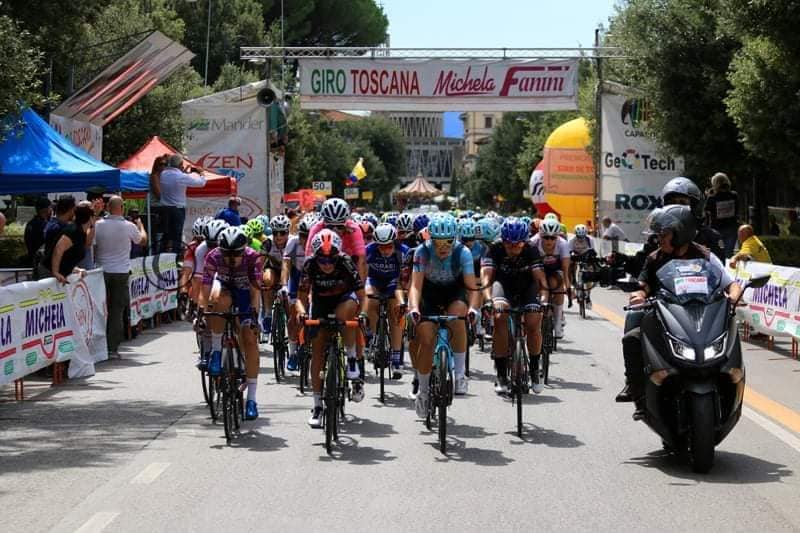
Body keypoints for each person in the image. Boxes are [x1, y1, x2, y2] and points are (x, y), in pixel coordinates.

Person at [617, 205, 742, 414]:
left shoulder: (705, 256)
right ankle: (635, 388)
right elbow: (643, 286)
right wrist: (638, 295)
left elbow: (731, 284)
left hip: (702, 318)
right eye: (659, 235)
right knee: (631, 336)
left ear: (680, 232)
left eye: (664, 234)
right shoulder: (654, 258)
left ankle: (730, 381)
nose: (660, 239)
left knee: (730, 330)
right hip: (665, 316)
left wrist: (734, 297)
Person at [407, 215, 480, 418]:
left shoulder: (462, 252)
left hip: (453, 292)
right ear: (431, 239)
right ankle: (423, 391)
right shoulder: (422, 252)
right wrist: (413, 307)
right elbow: (415, 285)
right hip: (428, 294)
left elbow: (472, 287)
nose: (443, 246)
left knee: (458, 315)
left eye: (448, 241)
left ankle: (459, 374)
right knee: (427, 340)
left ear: (454, 239)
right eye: (438, 241)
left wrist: (474, 308)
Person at [296, 229, 366, 427]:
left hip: (344, 300)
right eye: (322, 260)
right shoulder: (310, 264)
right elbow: (300, 300)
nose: (326, 265)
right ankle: (318, 405)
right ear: (315, 257)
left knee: (348, 315)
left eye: (331, 260)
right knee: (317, 349)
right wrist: (302, 313)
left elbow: (362, 296)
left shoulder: (345, 262)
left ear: (338, 257)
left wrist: (364, 315)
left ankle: (351, 359)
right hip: (321, 304)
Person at [198, 226, 262, 420]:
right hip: (223, 289)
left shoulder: (253, 257)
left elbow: (255, 291)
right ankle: (216, 352)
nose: (232, 258)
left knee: (250, 339)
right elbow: (205, 289)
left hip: (244, 293)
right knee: (217, 301)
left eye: (236, 254)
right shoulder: (213, 256)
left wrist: (254, 317)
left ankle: (251, 399)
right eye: (227, 254)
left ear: (244, 250)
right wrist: (202, 311)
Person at [481, 218, 548, 394]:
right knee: (499, 318)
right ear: (502, 241)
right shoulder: (494, 249)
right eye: (509, 245)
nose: (514, 249)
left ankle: (534, 367)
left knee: (534, 322)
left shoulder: (531, 250)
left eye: (518, 245)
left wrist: (544, 300)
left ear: (524, 242)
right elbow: (486, 279)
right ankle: (502, 373)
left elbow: (540, 279)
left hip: (527, 288)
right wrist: (488, 301)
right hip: (503, 288)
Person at [94, 196, 148, 356]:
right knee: (117, 311)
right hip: (121, 272)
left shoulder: (98, 225)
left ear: (108, 207)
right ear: (122, 208)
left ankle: (98, 347)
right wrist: (141, 226)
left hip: (101, 271)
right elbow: (143, 241)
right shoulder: (129, 226)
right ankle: (111, 348)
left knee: (99, 309)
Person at [361, 223, 409, 379]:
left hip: (394, 283)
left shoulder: (403, 252)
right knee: (368, 299)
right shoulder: (369, 250)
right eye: (381, 247)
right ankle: (374, 335)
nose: (385, 250)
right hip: (374, 281)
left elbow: (406, 279)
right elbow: (362, 272)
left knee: (396, 312)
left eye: (389, 246)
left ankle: (396, 356)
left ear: (394, 242)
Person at [661, 176, 725, 261]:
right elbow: (642, 268)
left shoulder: (711, 237)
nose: (676, 207)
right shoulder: (659, 237)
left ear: (694, 207)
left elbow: (719, 270)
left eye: (682, 202)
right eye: (672, 203)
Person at [530, 219, 571, 339]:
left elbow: (565, 268)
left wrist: (568, 287)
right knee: (541, 287)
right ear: (540, 235)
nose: (549, 241)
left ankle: (558, 323)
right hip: (539, 269)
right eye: (546, 237)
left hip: (556, 269)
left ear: (557, 237)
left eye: (553, 238)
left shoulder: (563, 244)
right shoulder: (533, 243)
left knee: (557, 286)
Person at [158, 154, 206, 253]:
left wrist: (184, 172)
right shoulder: (181, 176)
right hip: (177, 209)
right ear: (180, 164)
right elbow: (201, 183)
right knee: (176, 235)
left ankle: (160, 256)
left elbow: (176, 177)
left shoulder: (163, 174)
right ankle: (174, 258)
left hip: (164, 208)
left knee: (166, 235)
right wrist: (201, 173)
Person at [39, 203, 94, 283]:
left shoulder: (81, 232)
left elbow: (69, 255)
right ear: (90, 218)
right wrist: (56, 272)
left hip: (59, 273)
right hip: (49, 272)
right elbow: (58, 249)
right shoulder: (73, 231)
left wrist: (75, 269)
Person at [705, 172, 739, 258]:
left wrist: (708, 195)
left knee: (716, 254)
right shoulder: (734, 195)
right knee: (729, 254)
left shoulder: (712, 198)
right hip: (731, 228)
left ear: (715, 184)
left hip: (717, 230)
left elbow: (706, 210)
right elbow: (737, 209)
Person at [568, 223, 595, 309]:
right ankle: (573, 283)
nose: (580, 239)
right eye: (579, 237)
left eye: (582, 237)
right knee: (570, 266)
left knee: (589, 273)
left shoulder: (589, 239)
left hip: (586, 257)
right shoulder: (572, 240)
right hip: (575, 256)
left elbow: (593, 252)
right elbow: (568, 252)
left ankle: (588, 297)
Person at [24, 197, 52, 266]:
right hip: (42, 262)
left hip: (33, 259)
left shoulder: (31, 223)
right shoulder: (45, 225)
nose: (51, 209)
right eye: (50, 207)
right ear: (46, 209)